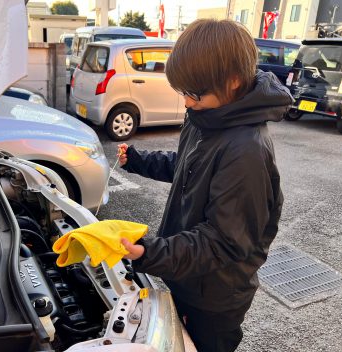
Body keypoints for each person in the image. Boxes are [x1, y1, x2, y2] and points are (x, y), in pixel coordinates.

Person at [118, 19, 293, 352]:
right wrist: (138, 160)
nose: (185, 101)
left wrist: (150, 252)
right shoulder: (205, 117)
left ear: (233, 82)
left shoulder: (246, 151)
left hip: (215, 296)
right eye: (182, 92)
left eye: (193, 93)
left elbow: (223, 242)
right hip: (189, 276)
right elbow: (186, 168)